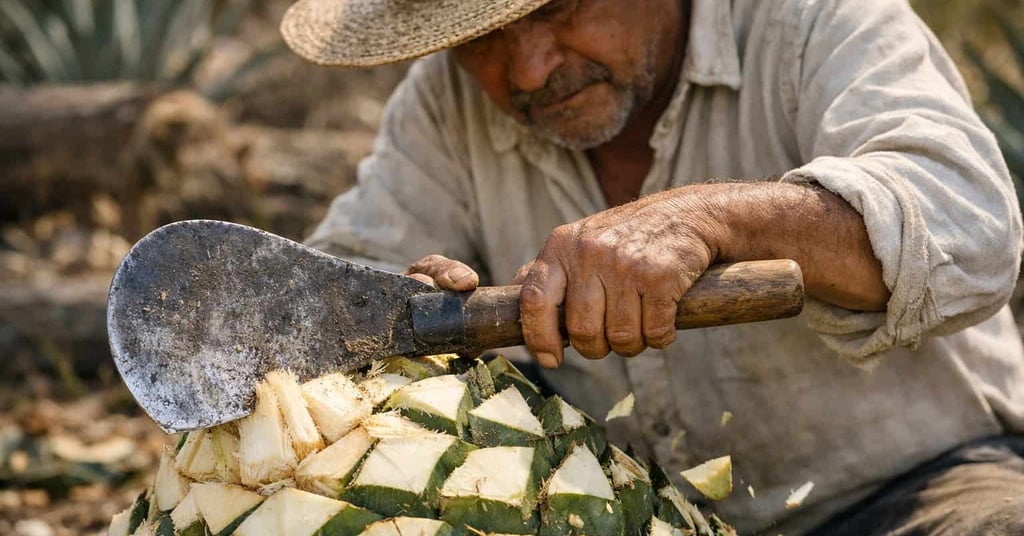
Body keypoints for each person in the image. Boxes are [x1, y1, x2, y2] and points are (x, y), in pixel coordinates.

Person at [280, 0, 1024, 533]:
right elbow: (342, 281)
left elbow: (971, 224)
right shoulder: (443, 105)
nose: (531, 69)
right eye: (482, 38)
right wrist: (398, 303)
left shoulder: (812, 19)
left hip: (921, 489)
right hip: (617, 508)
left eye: (561, 8)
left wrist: (712, 218)